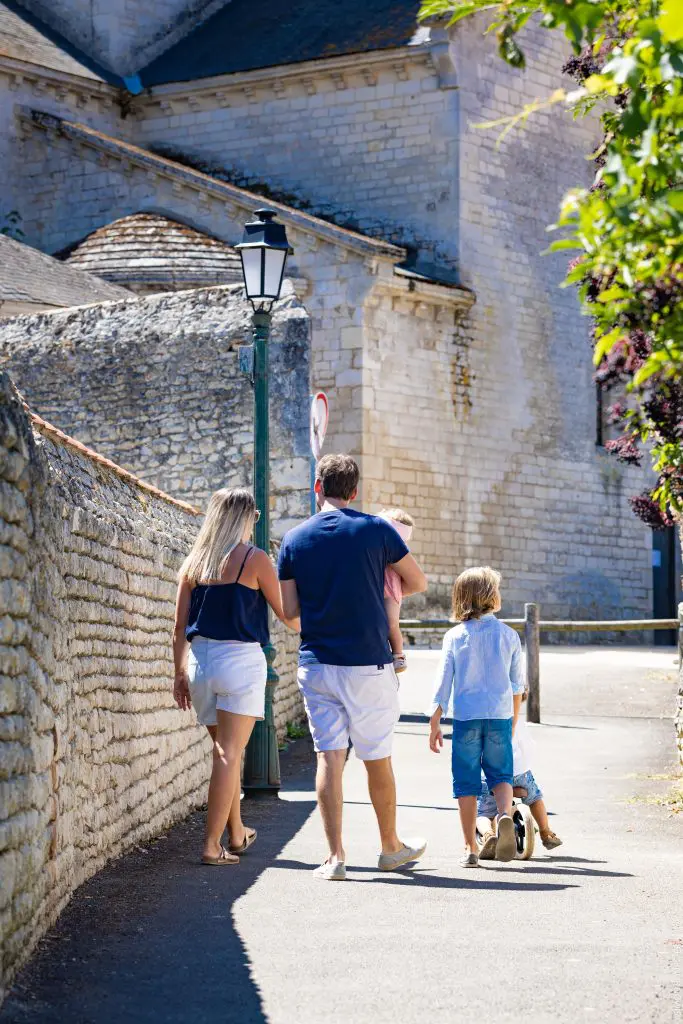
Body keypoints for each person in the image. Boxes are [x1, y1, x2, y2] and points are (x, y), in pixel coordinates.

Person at [278, 454, 429, 880]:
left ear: (317, 487)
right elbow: (417, 582)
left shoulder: (294, 539)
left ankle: (335, 857)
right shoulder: (377, 530)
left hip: (318, 662)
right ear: (355, 491)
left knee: (329, 756)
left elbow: (289, 612)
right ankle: (389, 847)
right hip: (368, 662)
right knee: (377, 757)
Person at [173, 487, 299, 866]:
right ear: (245, 518)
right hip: (240, 662)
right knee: (229, 755)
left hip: (199, 665)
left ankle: (237, 833)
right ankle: (212, 846)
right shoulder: (255, 559)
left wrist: (178, 674)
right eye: (254, 518)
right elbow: (287, 617)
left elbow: (179, 627)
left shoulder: (194, 563)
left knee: (223, 751)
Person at [428, 566, 524, 868]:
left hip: (467, 719)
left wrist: (435, 719)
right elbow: (517, 686)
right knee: (500, 775)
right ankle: (505, 816)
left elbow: (444, 681)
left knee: (466, 782)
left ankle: (470, 847)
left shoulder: (454, 637)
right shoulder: (509, 635)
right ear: (489, 596)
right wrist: (514, 720)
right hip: (499, 716)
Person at [476, 697, 563, 857]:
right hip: (519, 773)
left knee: (483, 814)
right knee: (535, 798)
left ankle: (488, 834)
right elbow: (528, 746)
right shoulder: (516, 720)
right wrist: (524, 766)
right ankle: (546, 832)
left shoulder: (479, 723)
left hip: (490, 778)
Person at [378, 508, 414, 674]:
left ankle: (398, 655)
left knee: (392, 623)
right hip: (381, 586)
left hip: (392, 588)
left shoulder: (400, 549)